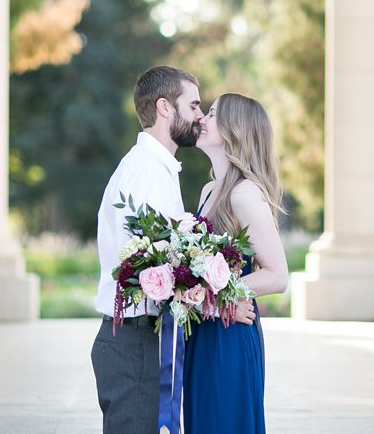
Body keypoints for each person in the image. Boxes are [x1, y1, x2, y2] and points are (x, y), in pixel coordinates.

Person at [90, 66, 255, 434]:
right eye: (194, 105)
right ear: (165, 108)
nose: (200, 115)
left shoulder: (157, 168)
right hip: (135, 341)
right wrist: (217, 303)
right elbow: (153, 270)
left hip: (142, 339)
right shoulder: (147, 172)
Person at [184, 93, 289, 434]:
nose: (202, 119)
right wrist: (200, 297)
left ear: (233, 131)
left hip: (230, 335)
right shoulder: (209, 190)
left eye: (211, 114)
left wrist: (219, 295)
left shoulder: (244, 194)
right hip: (204, 331)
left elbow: (277, 276)